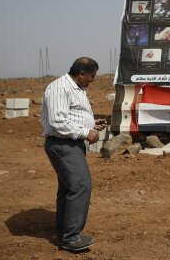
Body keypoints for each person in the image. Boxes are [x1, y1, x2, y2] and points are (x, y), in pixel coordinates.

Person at [42, 57, 107, 252]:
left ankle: (64, 233)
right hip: (63, 145)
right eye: (92, 76)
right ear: (81, 75)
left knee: (69, 188)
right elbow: (57, 122)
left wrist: (90, 124)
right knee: (80, 185)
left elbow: (70, 115)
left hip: (70, 143)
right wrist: (86, 133)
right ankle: (71, 238)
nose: (93, 80)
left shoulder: (74, 88)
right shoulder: (60, 88)